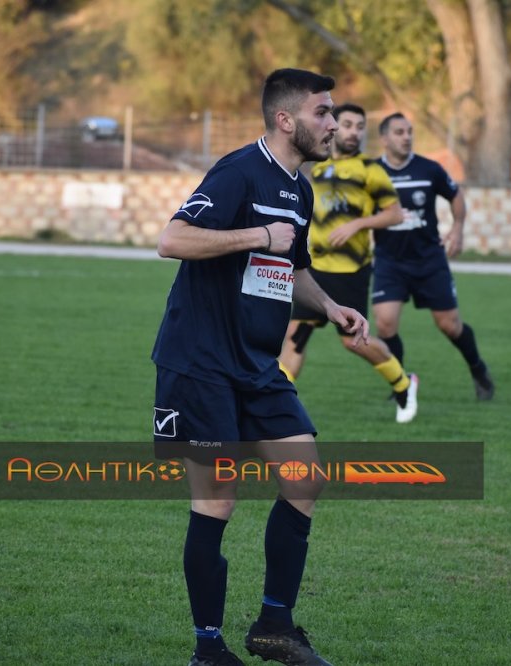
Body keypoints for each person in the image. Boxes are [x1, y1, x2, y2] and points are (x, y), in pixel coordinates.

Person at [152, 68, 365, 666]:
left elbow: (290, 268)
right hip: (200, 363)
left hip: (256, 364)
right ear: (286, 119)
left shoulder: (300, 188)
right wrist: (254, 235)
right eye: (323, 113)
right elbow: (173, 240)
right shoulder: (238, 171)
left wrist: (331, 306)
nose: (333, 124)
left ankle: (275, 626)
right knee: (218, 499)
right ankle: (208, 650)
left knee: (305, 479)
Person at [278, 102, 419, 423]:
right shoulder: (317, 167)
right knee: (295, 336)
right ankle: (276, 405)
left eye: (360, 126)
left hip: (350, 272)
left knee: (352, 342)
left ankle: (403, 382)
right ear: (332, 125)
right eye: (348, 124)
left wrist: (357, 224)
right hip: (313, 270)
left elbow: (395, 213)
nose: (354, 132)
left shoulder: (370, 170)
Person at [373, 112, 494, 400]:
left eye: (409, 132)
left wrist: (458, 229)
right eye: (399, 132)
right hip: (390, 261)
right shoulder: (371, 172)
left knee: (449, 326)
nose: (406, 137)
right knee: (385, 323)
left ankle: (478, 369)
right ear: (385, 139)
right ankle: (400, 384)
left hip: (429, 260)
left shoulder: (429, 169)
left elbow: (456, 195)